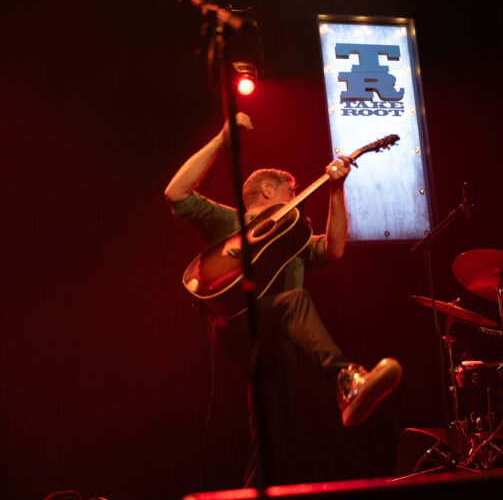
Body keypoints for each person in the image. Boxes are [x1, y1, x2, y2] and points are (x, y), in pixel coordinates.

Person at [164, 113, 402, 486]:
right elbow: (176, 193)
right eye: (291, 191)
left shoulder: (292, 234)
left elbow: (335, 249)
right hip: (238, 325)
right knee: (297, 301)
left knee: (271, 437)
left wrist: (336, 191)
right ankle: (345, 378)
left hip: (277, 343)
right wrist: (220, 142)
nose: (296, 197)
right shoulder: (229, 223)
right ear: (268, 192)